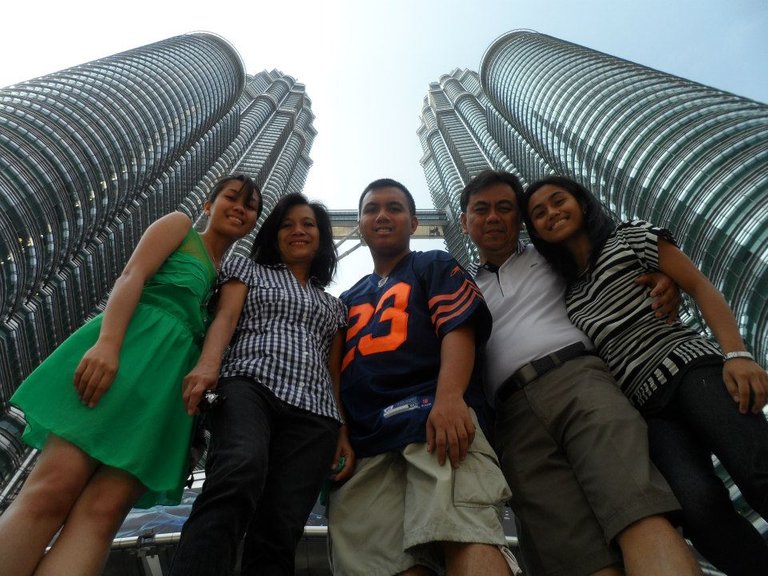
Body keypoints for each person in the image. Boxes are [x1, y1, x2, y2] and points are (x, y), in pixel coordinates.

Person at [0, 174, 261, 576]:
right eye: (232, 197)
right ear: (209, 205)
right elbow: (132, 276)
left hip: (169, 392)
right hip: (129, 352)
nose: (241, 208)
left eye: (251, 206)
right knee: (53, 487)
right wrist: (107, 344)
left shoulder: (234, 276)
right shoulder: (179, 227)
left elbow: (222, 333)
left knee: (103, 514)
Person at [521, 174, 768, 576]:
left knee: (757, 468)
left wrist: (737, 354)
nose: (551, 213)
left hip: (688, 369)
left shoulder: (630, 236)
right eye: (538, 214)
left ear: (581, 203)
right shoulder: (566, 294)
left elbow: (700, 285)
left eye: (558, 200)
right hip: (644, 409)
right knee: (698, 509)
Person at [460, 169, 703, 576]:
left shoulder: (552, 256)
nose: (494, 217)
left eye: (505, 208)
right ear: (465, 221)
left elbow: (616, 266)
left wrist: (664, 278)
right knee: (571, 552)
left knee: (635, 507)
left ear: (520, 219)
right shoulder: (457, 285)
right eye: (481, 210)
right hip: (512, 420)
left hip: (581, 381)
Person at [328, 178, 519, 576]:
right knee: (384, 565)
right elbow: (335, 371)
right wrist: (341, 432)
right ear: (360, 225)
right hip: (367, 442)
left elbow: (458, 328)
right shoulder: (346, 301)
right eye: (371, 209)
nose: (382, 215)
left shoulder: (433, 263)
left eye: (394, 208)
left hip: (434, 423)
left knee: (465, 537)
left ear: (414, 223)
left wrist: (451, 397)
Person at [168, 193, 351, 576]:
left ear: (321, 238)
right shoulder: (247, 269)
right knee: (239, 470)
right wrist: (207, 366)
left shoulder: (335, 306)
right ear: (274, 234)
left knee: (282, 523)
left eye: (308, 224)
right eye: (287, 224)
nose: (298, 231)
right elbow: (225, 320)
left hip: (316, 413)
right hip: (249, 384)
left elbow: (333, 370)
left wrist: (342, 431)